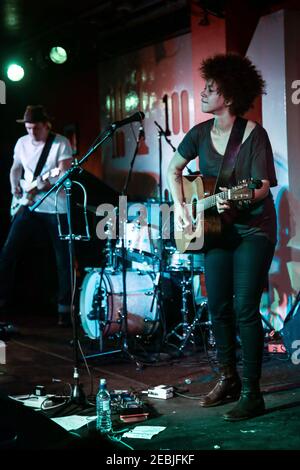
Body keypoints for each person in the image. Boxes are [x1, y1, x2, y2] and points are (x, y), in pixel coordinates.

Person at [167, 53, 277, 421]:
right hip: (215, 231)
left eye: (210, 89)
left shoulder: (253, 134)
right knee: (218, 307)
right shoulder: (198, 134)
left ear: (227, 98)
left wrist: (236, 194)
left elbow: (259, 188)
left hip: (252, 230)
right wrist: (182, 206)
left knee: (245, 307)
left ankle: (252, 391)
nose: (202, 93)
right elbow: (173, 169)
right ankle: (227, 377)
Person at [0, 105, 73, 326]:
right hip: (28, 204)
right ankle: (3, 303)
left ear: (47, 126)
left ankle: (64, 309)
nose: (32, 133)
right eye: (29, 128)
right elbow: (15, 167)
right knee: (8, 252)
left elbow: (63, 173)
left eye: (36, 128)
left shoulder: (60, 143)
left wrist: (41, 186)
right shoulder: (22, 143)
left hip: (55, 206)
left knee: (62, 258)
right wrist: (15, 186)